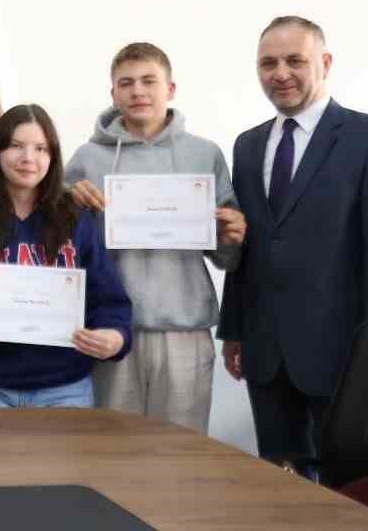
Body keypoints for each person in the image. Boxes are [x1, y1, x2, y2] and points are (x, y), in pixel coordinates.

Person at [220, 16, 368, 477]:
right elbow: (246, 246)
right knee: (279, 480)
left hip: (344, 352)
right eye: (268, 63)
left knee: (351, 489)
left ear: (325, 63)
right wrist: (233, 329)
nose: (280, 73)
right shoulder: (248, 146)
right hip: (266, 350)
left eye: (294, 60)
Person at [63, 43, 247, 433]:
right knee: (110, 449)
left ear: (171, 88)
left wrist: (231, 235)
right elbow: (57, 247)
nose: (138, 91)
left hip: (183, 329)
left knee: (179, 452)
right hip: (108, 328)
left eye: (149, 81)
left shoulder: (204, 154)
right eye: (125, 83)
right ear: (113, 94)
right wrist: (66, 200)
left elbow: (225, 256)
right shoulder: (86, 158)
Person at [0, 104, 132, 409]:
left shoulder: (76, 220)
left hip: (65, 388)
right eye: (16, 146)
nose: (28, 159)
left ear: (53, 156)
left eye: (40, 148)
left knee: (64, 461)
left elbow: (109, 301)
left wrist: (114, 337)